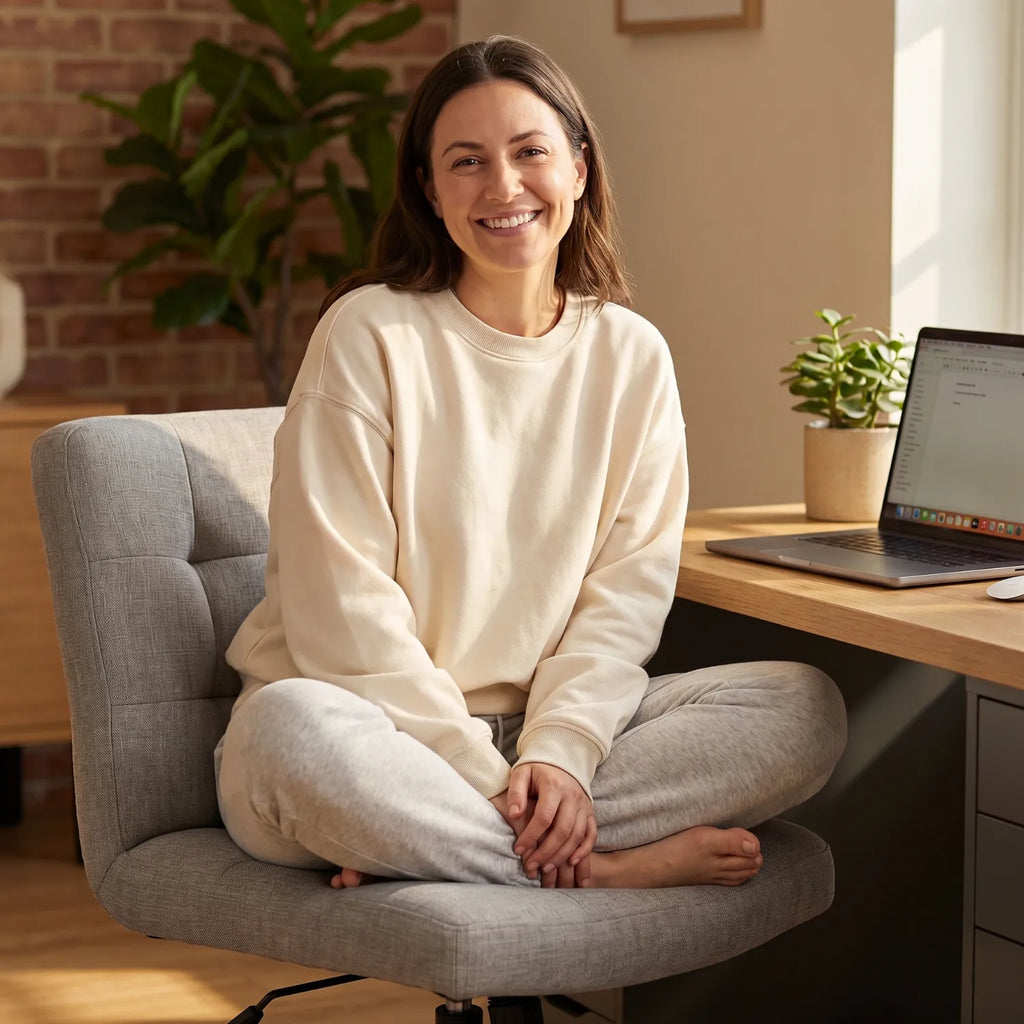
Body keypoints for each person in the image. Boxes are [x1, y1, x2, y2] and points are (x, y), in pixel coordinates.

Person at [214, 35, 846, 891]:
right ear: (430, 192)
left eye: (530, 152)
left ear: (579, 169)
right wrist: (478, 775)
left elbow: (622, 600)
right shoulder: (368, 334)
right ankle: (604, 871)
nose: (503, 187)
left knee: (800, 708)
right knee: (287, 733)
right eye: (466, 162)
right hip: (370, 729)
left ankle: (448, 849)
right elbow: (343, 618)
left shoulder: (631, 356)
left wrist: (562, 759)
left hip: (542, 739)